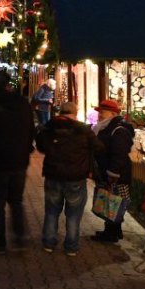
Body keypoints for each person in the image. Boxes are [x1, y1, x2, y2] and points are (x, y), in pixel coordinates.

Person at [0, 72, 35, 254]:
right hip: (19, 162)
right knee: (16, 201)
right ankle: (20, 237)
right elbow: (31, 131)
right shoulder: (23, 105)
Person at [35, 101, 101, 256]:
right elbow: (99, 147)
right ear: (75, 113)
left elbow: (41, 146)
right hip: (75, 177)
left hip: (53, 174)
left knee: (51, 211)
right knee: (73, 214)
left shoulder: (49, 127)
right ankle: (71, 246)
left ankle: (49, 243)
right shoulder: (83, 130)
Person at [91, 99, 136, 243]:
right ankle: (113, 232)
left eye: (102, 112)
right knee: (111, 203)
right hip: (108, 172)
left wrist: (112, 173)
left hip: (117, 175)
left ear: (112, 113)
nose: (99, 115)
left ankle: (111, 234)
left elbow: (119, 154)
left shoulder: (118, 130)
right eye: (99, 112)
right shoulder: (106, 127)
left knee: (113, 203)